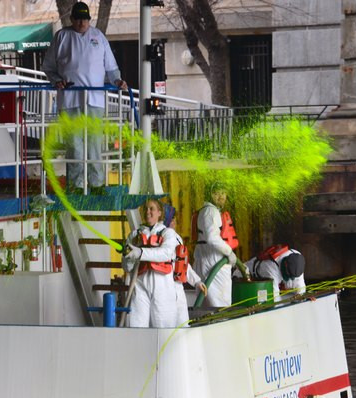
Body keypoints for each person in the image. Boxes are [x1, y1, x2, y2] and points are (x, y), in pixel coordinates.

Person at [41, 1, 128, 192]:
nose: (82, 23)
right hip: (70, 101)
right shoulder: (61, 37)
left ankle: (97, 184)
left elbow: (111, 68)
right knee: (74, 145)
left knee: (95, 142)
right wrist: (57, 80)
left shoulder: (99, 37)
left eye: (85, 19)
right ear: (71, 19)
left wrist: (118, 81)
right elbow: (48, 67)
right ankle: (76, 186)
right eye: (78, 19)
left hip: (95, 100)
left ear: (89, 20)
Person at [123, 199, 205, 328]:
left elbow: (175, 259)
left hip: (167, 285)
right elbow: (127, 266)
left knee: (167, 326)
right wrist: (127, 256)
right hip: (140, 283)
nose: (148, 212)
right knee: (137, 324)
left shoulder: (170, 235)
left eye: (152, 209)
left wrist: (196, 281)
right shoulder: (135, 234)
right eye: (146, 209)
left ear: (160, 213)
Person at [192, 182, 242, 308]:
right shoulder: (211, 211)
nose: (221, 196)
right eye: (217, 193)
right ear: (210, 195)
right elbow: (212, 237)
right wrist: (229, 252)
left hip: (205, 261)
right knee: (221, 307)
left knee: (206, 307)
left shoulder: (205, 211)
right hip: (213, 262)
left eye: (223, 193)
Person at [243, 244, 307, 302]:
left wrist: (304, 298)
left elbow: (300, 289)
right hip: (246, 278)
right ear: (285, 264)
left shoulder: (297, 257)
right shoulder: (271, 268)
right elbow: (275, 301)